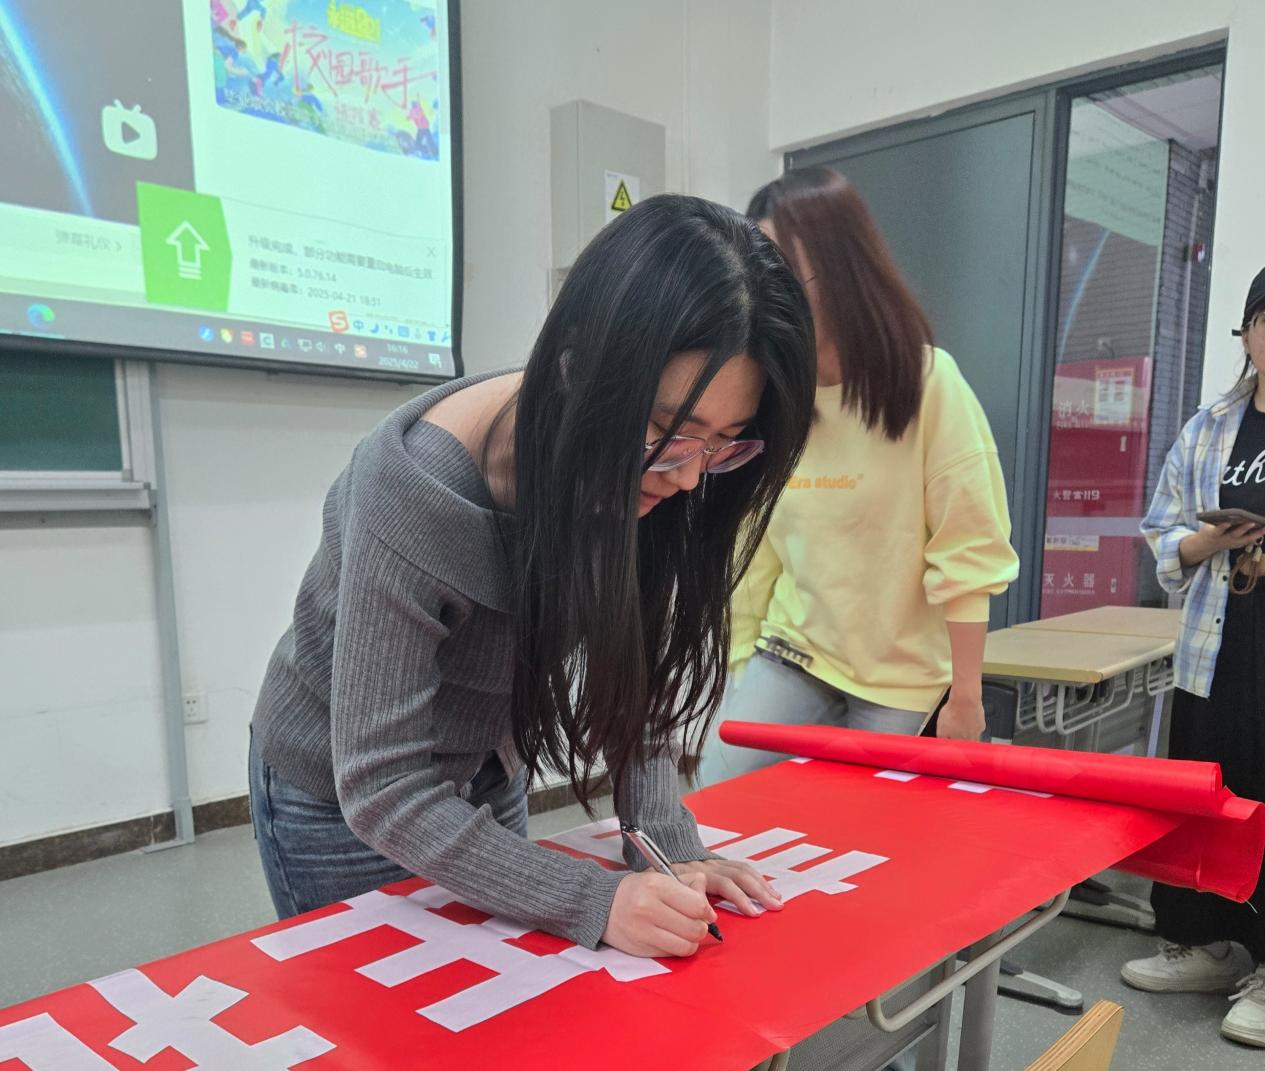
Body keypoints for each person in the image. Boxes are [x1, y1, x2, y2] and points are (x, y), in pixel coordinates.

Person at [248, 194, 818, 960]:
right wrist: (592, 898)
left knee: (509, 996)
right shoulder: (415, 485)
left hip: (483, 771)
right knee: (380, 1013)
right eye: (669, 433)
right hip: (338, 797)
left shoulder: (645, 472)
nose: (688, 477)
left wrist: (668, 847)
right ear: (579, 373)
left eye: (723, 443)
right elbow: (382, 787)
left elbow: (638, 669)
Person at [699, 166, 1019, 787]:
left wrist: (966, 697)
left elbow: (970, 550)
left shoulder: (931, 385)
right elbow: (752, 545)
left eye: (787, 266)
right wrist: (740, 666)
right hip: (795, 651)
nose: (771, 287)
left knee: (862, 825)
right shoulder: (775, 394)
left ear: (839, 264)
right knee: (717, 793)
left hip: (901, 676)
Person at [1121, 267, 1265, 1048]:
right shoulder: (1211, 423)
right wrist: (1209, 540)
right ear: (1246, 333)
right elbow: (1161, 529)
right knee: (1207, 790)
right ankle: (1204, 941)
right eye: (1264, 320)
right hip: (1215, 641)